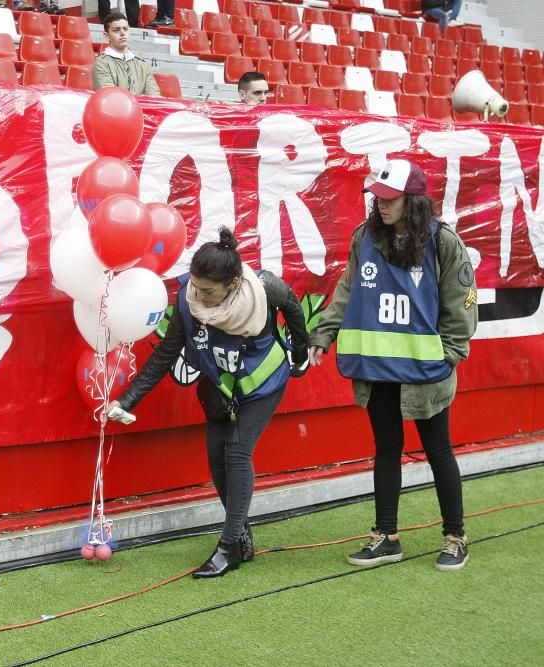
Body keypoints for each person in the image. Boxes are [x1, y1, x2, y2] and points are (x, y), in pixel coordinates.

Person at [108, 227, 309, 579]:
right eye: (196, 287)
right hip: (219, 390)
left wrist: (301, 352)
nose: (198, 295)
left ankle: (228, 546)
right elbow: (165, 356)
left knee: (236, 451)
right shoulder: (188, 300)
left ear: (232, 284)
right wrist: (127, 400)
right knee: (217, 459)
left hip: (262, 384)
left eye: (208, 291)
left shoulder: (263, 287)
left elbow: (293, 307)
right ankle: (242, 536)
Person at [308, 159, 478, 571]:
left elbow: (462, 304)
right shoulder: (364, 237)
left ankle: (456, 537)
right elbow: (346, 292)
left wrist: (450, 353)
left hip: (427, 374)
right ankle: (387, 537)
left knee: (439, 451)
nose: (381, 205)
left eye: (391, 199)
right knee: (386, 450)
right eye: (378, 198)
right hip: (378, 369)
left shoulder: (444, 242)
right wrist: (322, 336)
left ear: (413, 200)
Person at [92, 12, 160, 96]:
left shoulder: (143, 65)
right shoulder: (101, 64)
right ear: (107, 36)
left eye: (125, 29)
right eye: (116, 30)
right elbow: (109, 97)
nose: (122, 33)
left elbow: (154, 99)